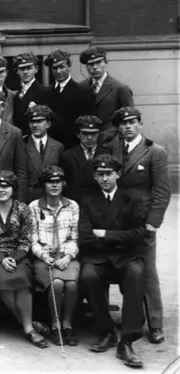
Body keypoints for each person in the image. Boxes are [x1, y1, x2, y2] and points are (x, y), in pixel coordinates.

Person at [105, 107, 171, 344]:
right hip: (118, 221)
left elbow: (163, 192)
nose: (128, 127)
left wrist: (153, 223)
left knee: (148, 272)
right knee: (127, 270)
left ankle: (155, 323)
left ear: (140, 124)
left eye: (132, 122)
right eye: (123, 124)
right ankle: (135, 318)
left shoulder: (154, 152)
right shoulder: (112, 149)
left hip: (142, 223)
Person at [78, 154, 150, 368]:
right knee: (88, 276)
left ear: (117, 174)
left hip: (126, 257)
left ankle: (127, 341)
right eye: (100, 174)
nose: (104, 179)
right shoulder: (88, 201)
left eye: (109, 173)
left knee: (136, 273)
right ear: (94, 176)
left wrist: (105, 234)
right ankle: (106, 331)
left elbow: (140, 234)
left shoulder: (132, 199)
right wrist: (119, 237)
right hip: (98, 257)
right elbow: (85, 237)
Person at [0, 170, 48, 349]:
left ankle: (27, 325)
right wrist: (1, 259)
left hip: (19, 256)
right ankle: (29, 327)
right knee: (2, 278)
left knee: (22, 278)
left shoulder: (23, 209)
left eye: (6, 186)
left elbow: (25, 239)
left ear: (13, 189)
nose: (1, 190)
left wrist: (14, 258)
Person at [29, 166, 80, 346]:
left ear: (63, 184)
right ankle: (55, 325)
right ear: (43, 185)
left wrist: (68, 256)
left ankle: (67, 325)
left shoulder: (72, 206)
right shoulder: (34, 207)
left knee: (71, 284)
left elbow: (75, 237)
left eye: (58, 181)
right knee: (57, 283)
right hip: (44, 258)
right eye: (50, 182)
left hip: (67, 256)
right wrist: (44, 257)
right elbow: (33, 240)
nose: (54, 185)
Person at [44, 50, 94, 149]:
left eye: (62, 67)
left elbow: (86, 122)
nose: (58, 71)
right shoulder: (46, 92)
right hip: (51, 146)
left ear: (69, 66)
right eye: (54, 68)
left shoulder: (83, 91)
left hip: (73, 146)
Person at [79, 47, 134, 131]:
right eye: (91, 64)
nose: (95, 67)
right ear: (86, 66)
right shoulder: (81, 87)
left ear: (106, 63)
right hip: (88, 136)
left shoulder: (120, 88)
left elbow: (130, 118)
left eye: (98, 62)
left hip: (112, 137)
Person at [59, 115, 109, 203]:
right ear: (78, 134)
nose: (89, 138)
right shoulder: (67, 156)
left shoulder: (107, 154)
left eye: (93, 134)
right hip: (76, 203)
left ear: (98, 134)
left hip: (99, 203)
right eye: (85, 134)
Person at [22, 105, 64, 203]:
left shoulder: (58, 147)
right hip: (28, 198)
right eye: (32, 122)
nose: (35, 125)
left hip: (52, 198)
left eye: (39, 121)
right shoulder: (21, 145)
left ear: (48, 124)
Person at [10, 53, 49, 136]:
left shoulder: (44, 92)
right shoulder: (16, 95)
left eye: (29, 68)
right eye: (22, 69)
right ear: (17, 71)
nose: (25, 72)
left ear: (36, 69)